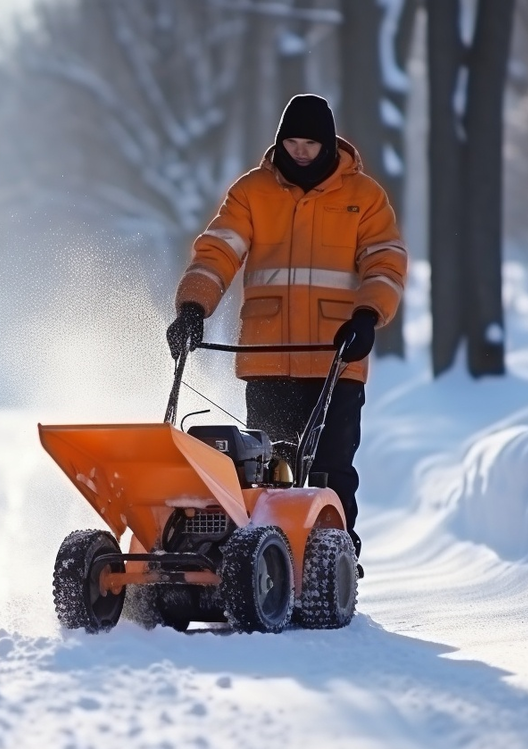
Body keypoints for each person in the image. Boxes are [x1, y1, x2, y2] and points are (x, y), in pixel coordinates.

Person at [165, 93, 408, 575]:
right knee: (269, 467)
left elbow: (385, 262)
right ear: (280, 141)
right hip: (269, 353)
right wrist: (193, 306)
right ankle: (273, 562)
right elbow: (218, 251)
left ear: (328, 145)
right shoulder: (253, 192)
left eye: (310, 144)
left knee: (332, 466)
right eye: (292, 142)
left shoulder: (364, 196)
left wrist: (368, 315)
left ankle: (333, 564)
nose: (300, 152)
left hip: (338, 353)